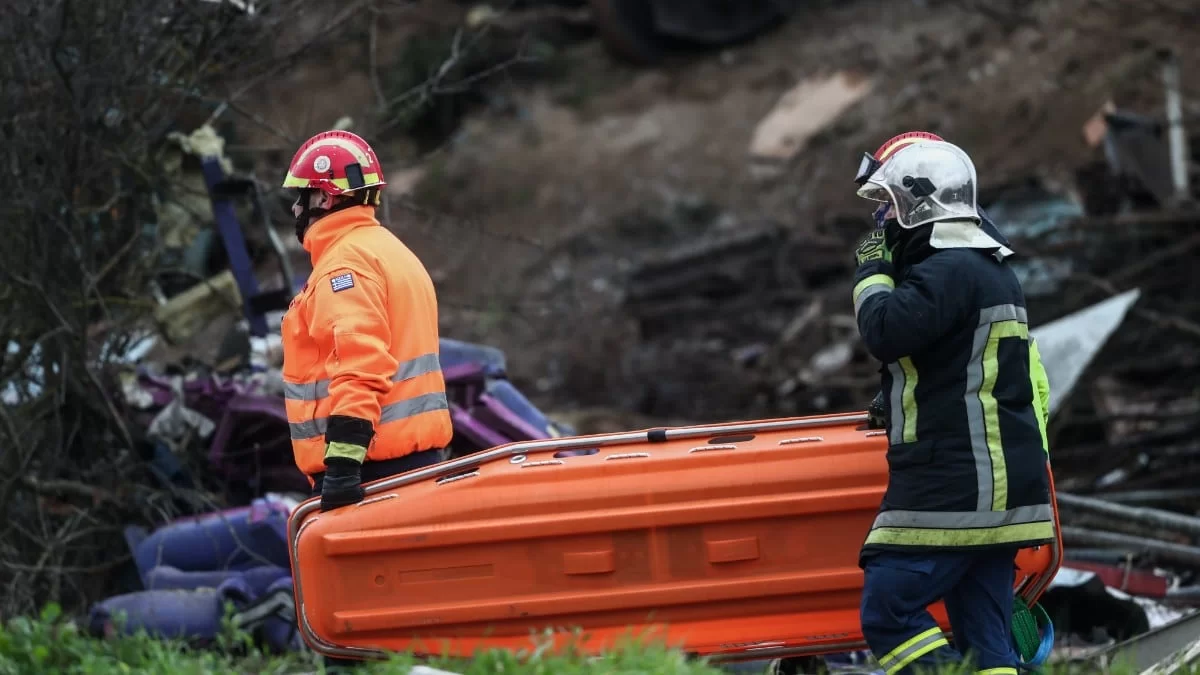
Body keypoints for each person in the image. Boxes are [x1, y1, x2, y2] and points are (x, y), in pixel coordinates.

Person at [848, 133, 1057, 675]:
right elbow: (956, 364)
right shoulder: (982, 266)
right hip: (1001, 485)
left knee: (888, 609)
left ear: (920, 205)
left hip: (957, 483)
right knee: (985, 639)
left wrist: (871, 271)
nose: (882, 222)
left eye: (888, 207)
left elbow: (886, 330)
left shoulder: (951, 268)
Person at [279, 130, 453, 513]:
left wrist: (342, 465)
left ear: (325, 197)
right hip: (413, 466)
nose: (296, 209)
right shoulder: (390, 251)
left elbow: (360, 367)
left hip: (373, 475)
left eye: (301, 196)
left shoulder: (345, 264)